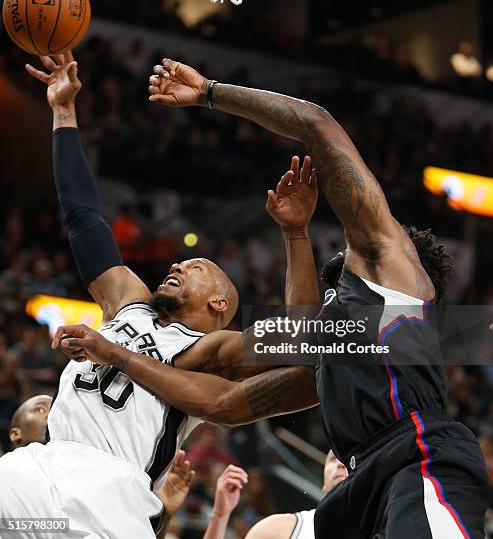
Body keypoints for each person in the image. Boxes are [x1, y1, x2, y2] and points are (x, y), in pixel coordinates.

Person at [146, 58, 488, 538]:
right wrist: (295, 234)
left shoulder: (392, 264)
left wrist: (209, 92)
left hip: (420, 456)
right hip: (364, 477)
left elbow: (316, 123)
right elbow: (300, 339)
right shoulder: (346, 335)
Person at [0, 52, 319, 538]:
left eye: (194, 268)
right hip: (38, 471)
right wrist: (63, 113)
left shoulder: (209, 351)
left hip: (111, 494)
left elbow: (306, 340)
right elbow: (83, 218)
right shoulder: (129, 298)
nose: (175, 265)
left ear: (218, 305)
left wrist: (296, 236)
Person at [8, 394, 194, 539]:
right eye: (40, 409)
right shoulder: (12, 473)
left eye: (55, 407)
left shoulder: (90, 473)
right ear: (16, 434)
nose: (51, 414)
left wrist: (162, 515)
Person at [245, 451, 348, 539]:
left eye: (349, 458)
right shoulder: (277, 529)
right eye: (333, 458)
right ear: (324, 484)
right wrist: (227, 513)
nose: (340, 464)